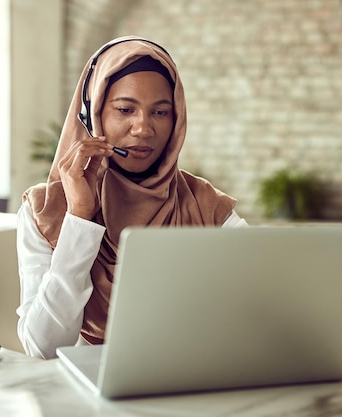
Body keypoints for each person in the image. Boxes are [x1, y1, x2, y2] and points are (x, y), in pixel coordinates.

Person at [16, 36, 247, 359]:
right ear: (92, 114)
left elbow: (262, 306)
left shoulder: (207, 206)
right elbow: (44, 347)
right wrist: (80, 218)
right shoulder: (44, 211)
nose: (143, 128)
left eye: (161, 112)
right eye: (125, 109)